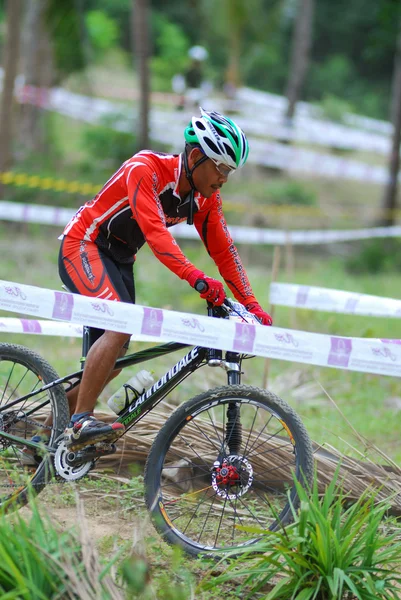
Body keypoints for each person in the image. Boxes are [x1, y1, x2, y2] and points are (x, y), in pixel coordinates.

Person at [58, 107, 273, 451]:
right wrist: (197, 279)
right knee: (119, 328)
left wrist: (252, 304)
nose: (224, 179)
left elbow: (225, 252)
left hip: (120, 257)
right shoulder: (146, 169)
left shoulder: (205, 200)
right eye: (221, 168)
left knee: (114, 359)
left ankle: (47, 433)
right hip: (83, 244)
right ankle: (81, 421)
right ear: (196, 156)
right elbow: (156, 236)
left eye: (231, 171)